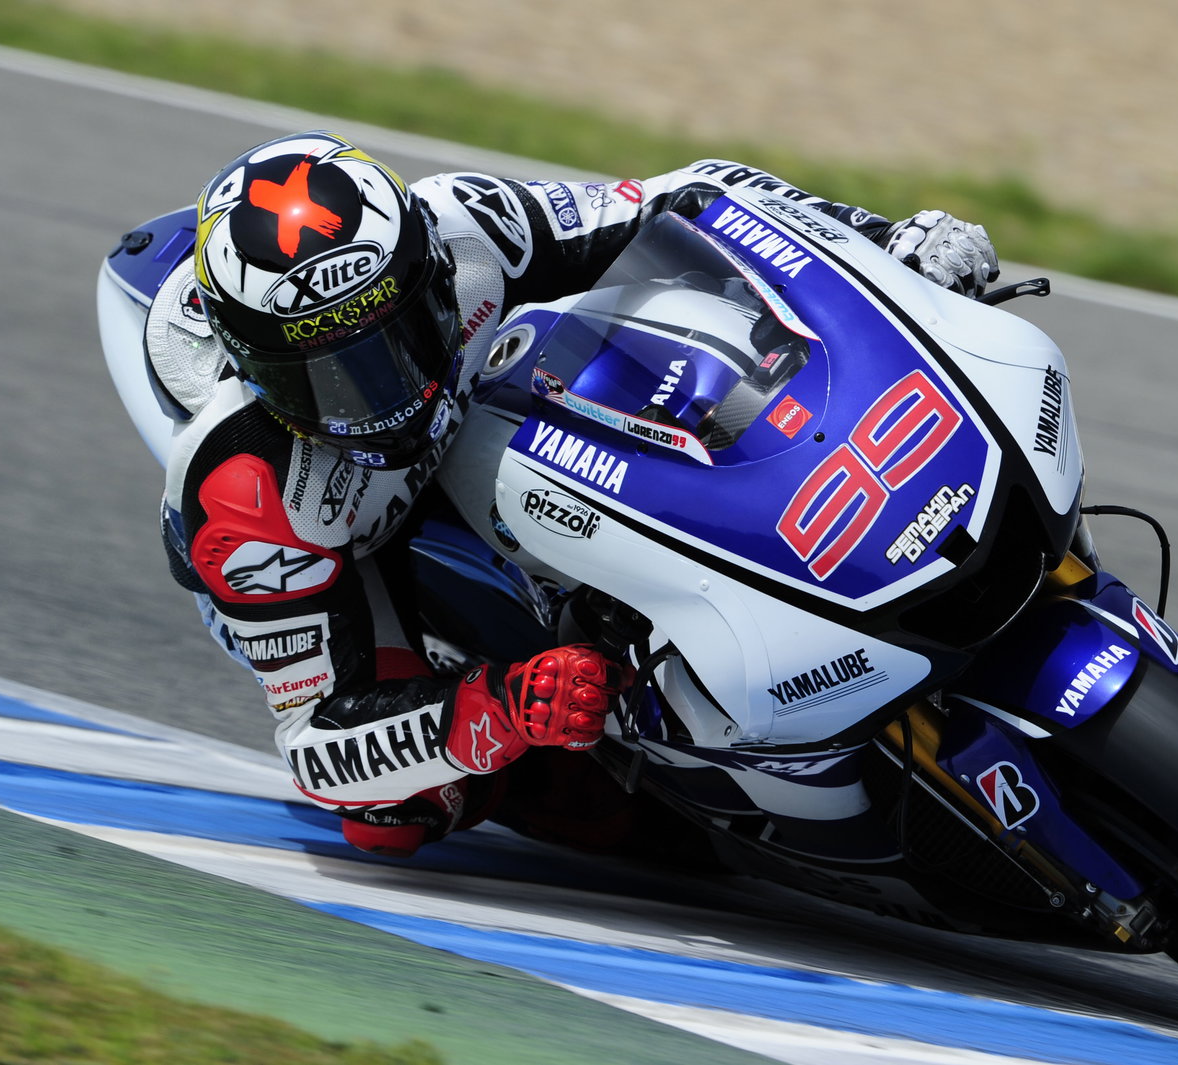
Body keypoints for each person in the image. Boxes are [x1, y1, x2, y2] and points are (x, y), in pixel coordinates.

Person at [152, 130, 1000, 858]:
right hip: (350, 547)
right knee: (401, 815)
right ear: (256, 372)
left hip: (503, 394)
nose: (381, 396)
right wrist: (506, 708)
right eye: (327, 379)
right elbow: (316, 745)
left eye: (394, 341)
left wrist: (881, 242)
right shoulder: (244, 492)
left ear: (430, 270)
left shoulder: (470, 227)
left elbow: (695, 197)